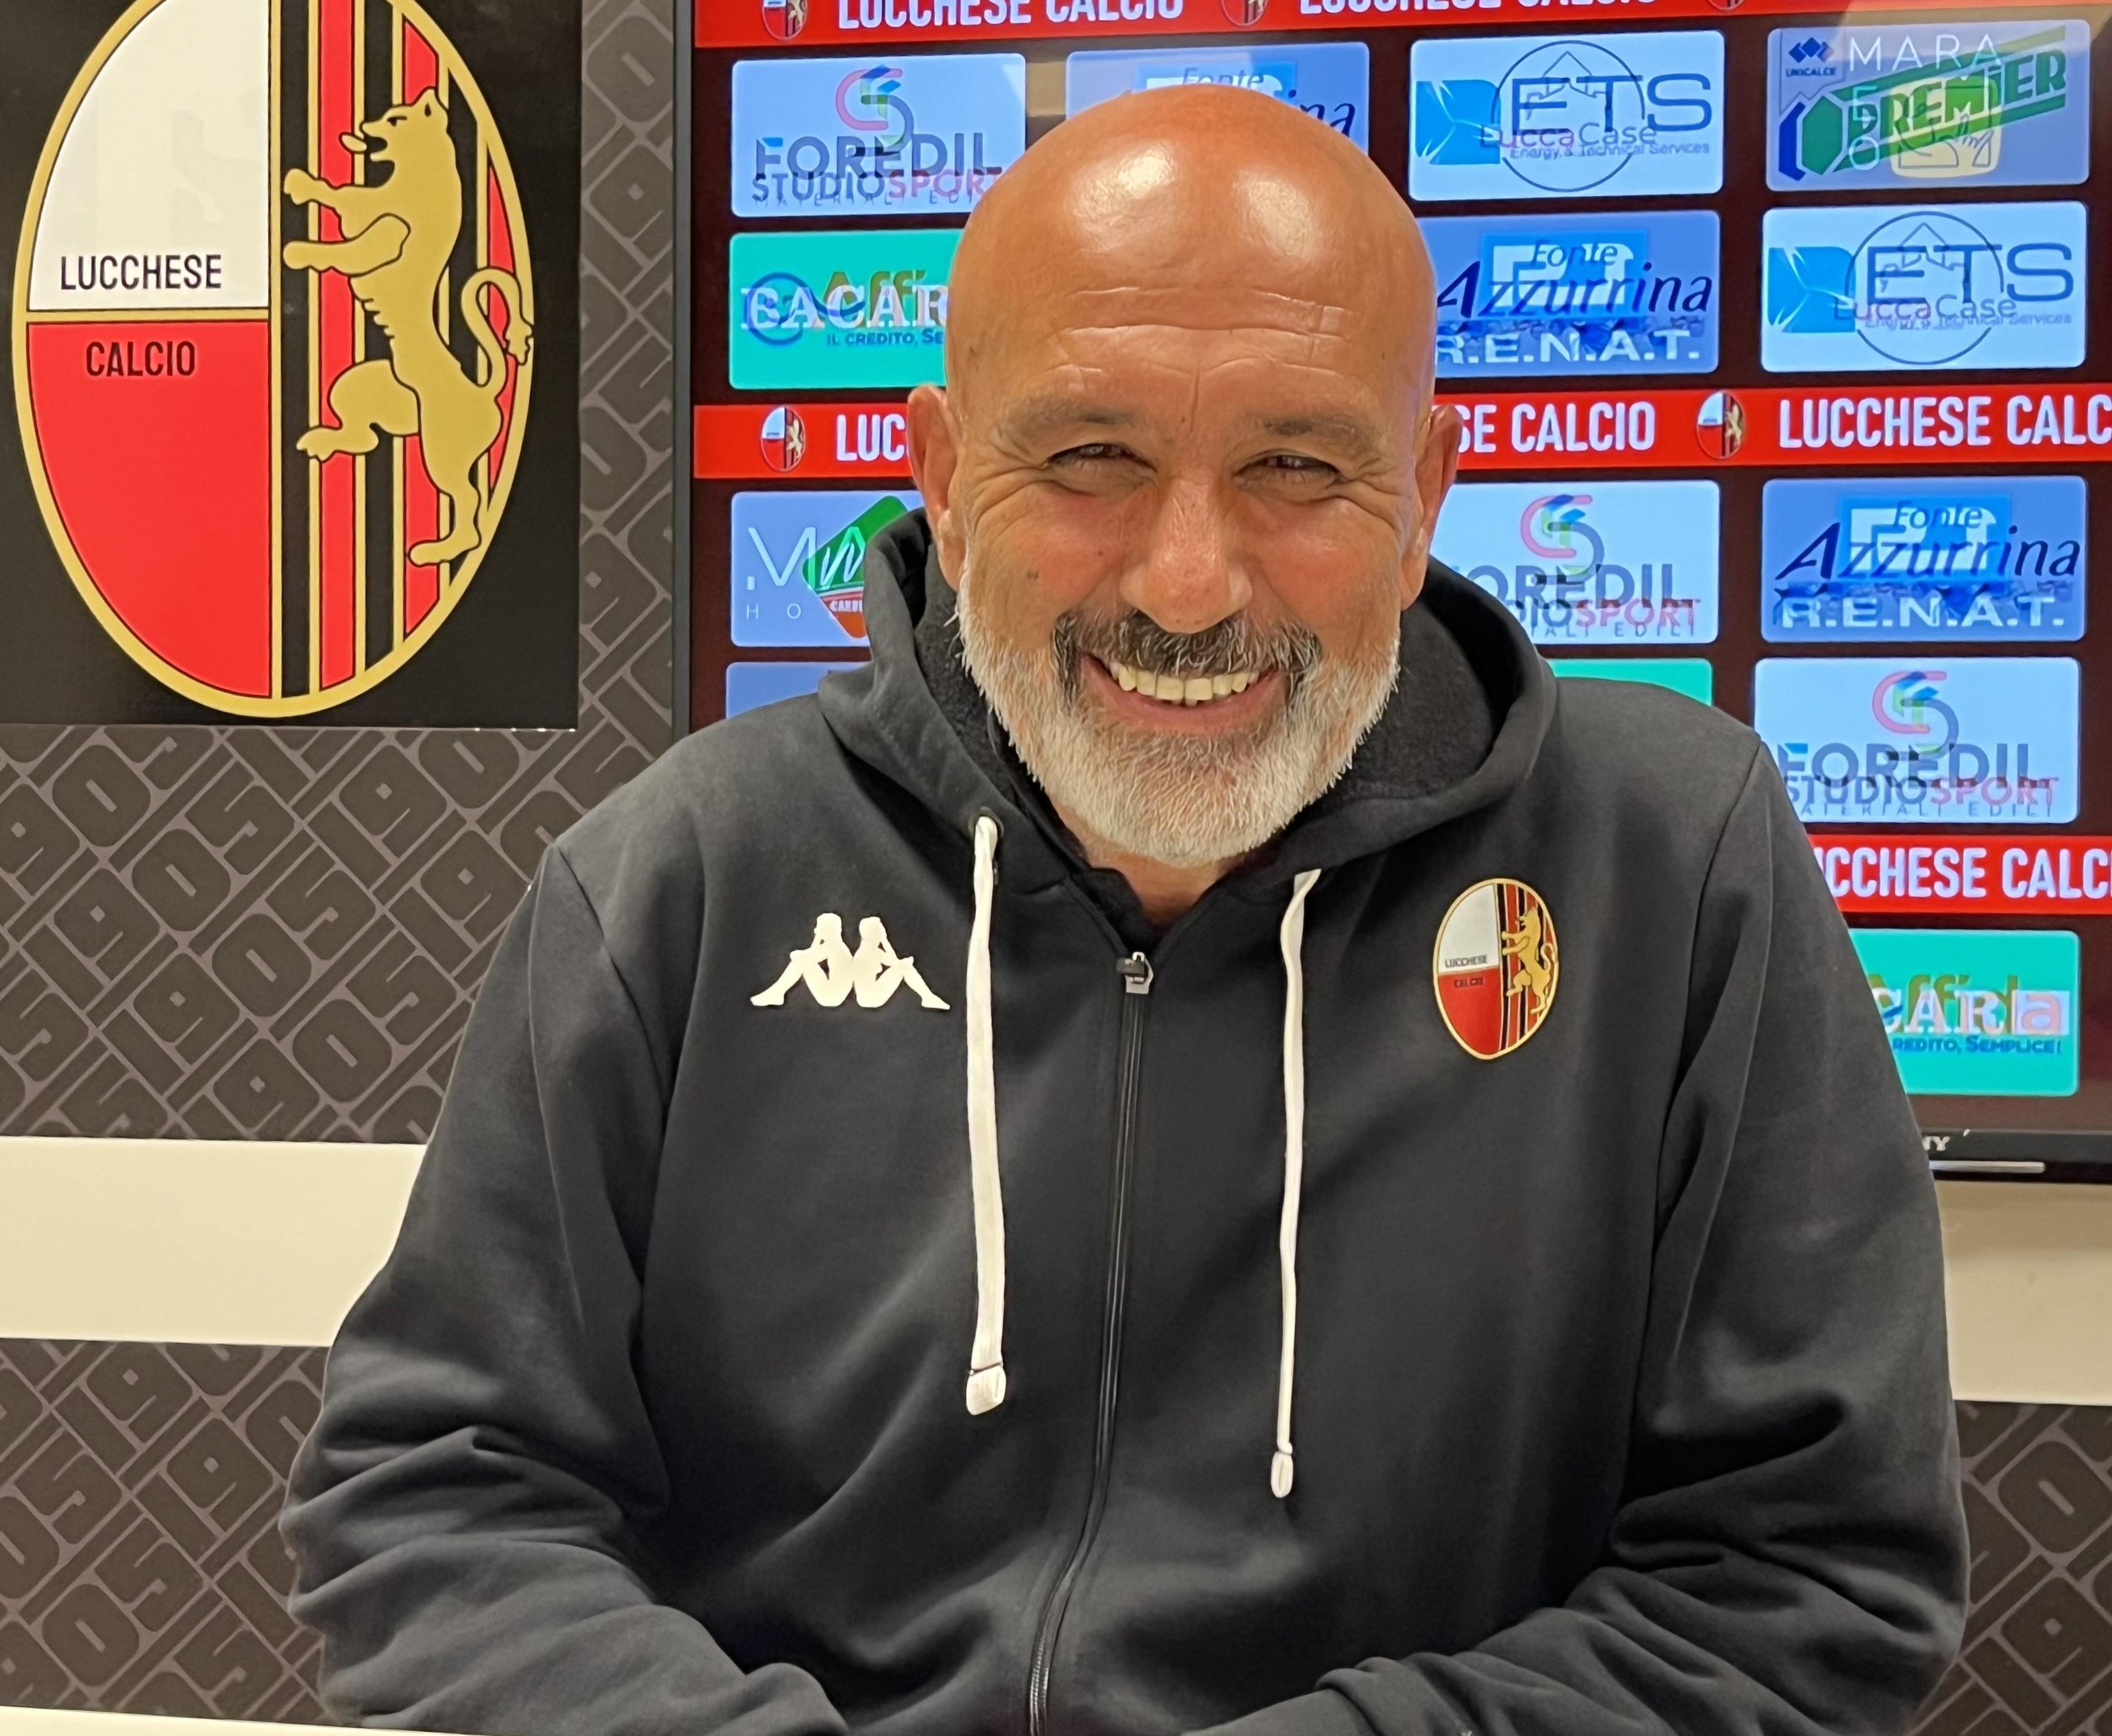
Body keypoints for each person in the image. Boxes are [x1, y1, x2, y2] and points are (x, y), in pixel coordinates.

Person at [282, 86, 1966, 1735]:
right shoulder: (683, 877)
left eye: (1295, 465)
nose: (1187, 583)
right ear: (945, 477)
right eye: (1093, 457)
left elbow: (1806, 1572)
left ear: (1423, 496)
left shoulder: (1675, 865)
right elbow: (441, 1492)